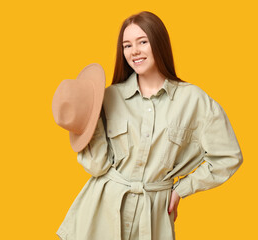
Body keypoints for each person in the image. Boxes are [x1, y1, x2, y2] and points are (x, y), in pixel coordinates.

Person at [56, 11, 243, 240]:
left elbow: (228, 156)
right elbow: (97, 166)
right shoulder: (108, 98)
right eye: (127, 45)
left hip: (153, 218)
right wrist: (89, 119)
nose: (134, 51)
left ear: (159, 43)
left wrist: (181, 190)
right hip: (98, 217)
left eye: (142, 42)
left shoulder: (193, 100)